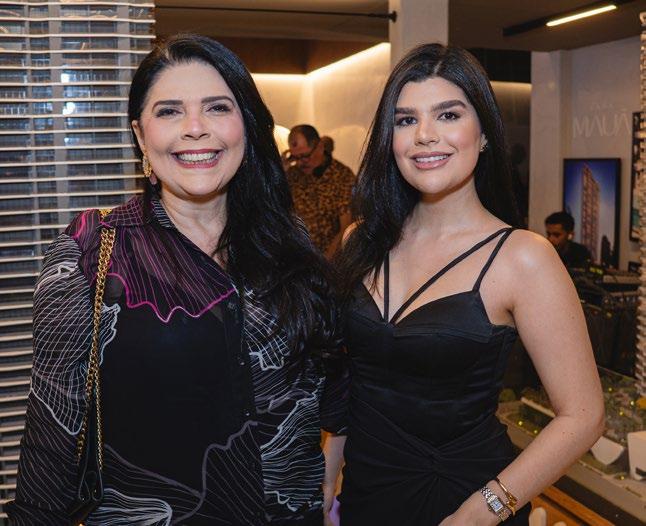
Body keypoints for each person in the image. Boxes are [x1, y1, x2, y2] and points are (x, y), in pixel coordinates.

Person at [7, 34, 345, 525]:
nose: (195, 128)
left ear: (246, 125)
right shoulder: (91, 249)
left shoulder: (286, 241)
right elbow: (52, 430)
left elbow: (330, 378)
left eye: (217, 107)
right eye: (169, 111)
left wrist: (328, 472)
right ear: (140, 135)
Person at [328, 43, 604, 525]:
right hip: (366, 495)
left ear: (484, 134)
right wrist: (328, 474)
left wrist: (485, 509)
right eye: (406, 120)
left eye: (448, 115)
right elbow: (354, 382)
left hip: (465, 500)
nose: (425, 135)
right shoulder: (361, 240)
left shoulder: (523, 257)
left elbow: (584, 416)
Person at [286, 125, 355, 258]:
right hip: (296, 261)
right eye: (295, 158)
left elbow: (347, 227)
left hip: (331, 262)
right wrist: (281, 167)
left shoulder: (342, 176)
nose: (300, 163)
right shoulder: (291, 175)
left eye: (305, 156)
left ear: (320, 147)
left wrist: (323, 264)